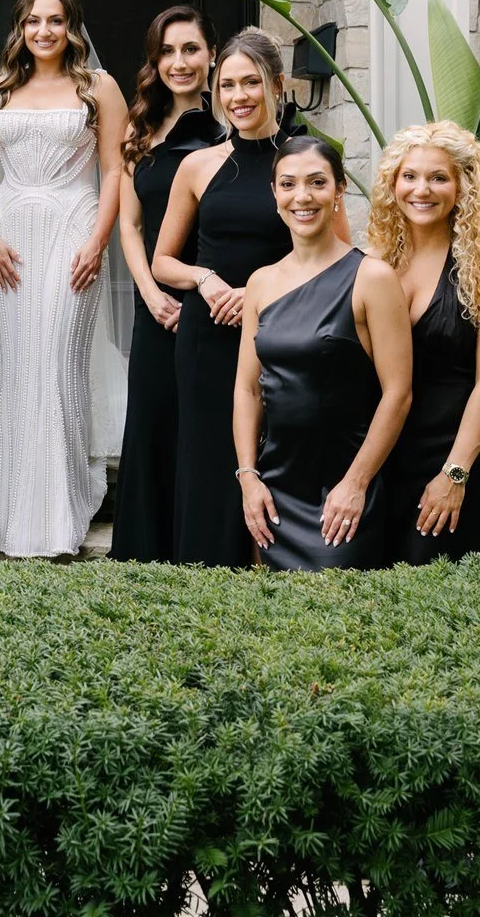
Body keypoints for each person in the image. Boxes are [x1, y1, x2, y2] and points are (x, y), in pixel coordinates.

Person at [0, 0, 127, 558]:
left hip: (73, 230)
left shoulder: (100, 88)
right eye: (33, 21)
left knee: (57, 362)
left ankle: (63, 507)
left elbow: (115, 170)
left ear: (72, 26)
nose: (43, 31)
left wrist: (98, 239)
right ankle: (10, 510)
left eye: (55, 20)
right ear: (20, 28)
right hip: (9, 239)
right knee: (20, 369)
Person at [153, 28, 299, 567]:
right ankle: (204, 583)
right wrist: (204, 278)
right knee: (208, 459)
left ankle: (277, 573)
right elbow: (162, 260)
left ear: (277, 85)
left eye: (251, 83)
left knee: (273, 458)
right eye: (227, 85)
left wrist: (258, 292)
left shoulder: (303, 163)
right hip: (207, 337)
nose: (238, 96)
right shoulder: (198, 165)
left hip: (280, 332)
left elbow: (336, 257)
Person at [235, 138, 412, 571]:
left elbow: (398, 394)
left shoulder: (372, 277)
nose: (302, 197)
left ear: (339, 190)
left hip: (344, 492)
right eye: (288, 184)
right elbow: (247, 389)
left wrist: (356, 484)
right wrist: (248, 478)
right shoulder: (260, 283)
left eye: (317, 182)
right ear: (274, 193)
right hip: (273, 493)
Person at [367, 121, 480, 563]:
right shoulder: (376, 261)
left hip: (447, 460)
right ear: (393, 184)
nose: (421, 189)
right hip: (376, 457)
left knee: (428, 592)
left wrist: (455, 475)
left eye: (438, 177)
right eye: (410, 176)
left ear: (463, 187)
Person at [109, 5, 223, 564]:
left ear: (210, 56)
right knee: (153, 419)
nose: (180, 63)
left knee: (203, 424)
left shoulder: (231, 126)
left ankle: (199, 549)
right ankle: (145, 553)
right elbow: (129, 224)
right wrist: (150, 292)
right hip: (154, 300)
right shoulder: (139, 129)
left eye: (191, 49)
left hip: (213, 300)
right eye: (168, 52)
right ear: (155, 62)